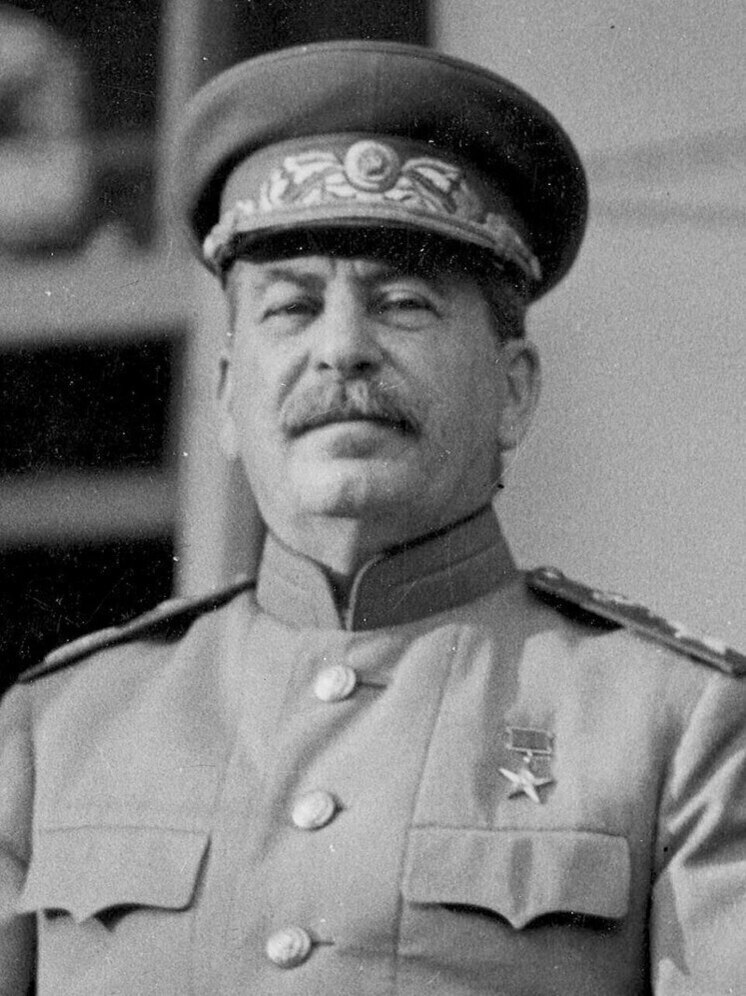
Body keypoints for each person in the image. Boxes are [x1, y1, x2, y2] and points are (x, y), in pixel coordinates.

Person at [1, 39, 745, 996]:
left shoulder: (677, 729)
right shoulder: (55, 733)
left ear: (514, 391)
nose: (342, 350)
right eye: (291, 308)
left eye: (402, 304)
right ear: (224, 396)